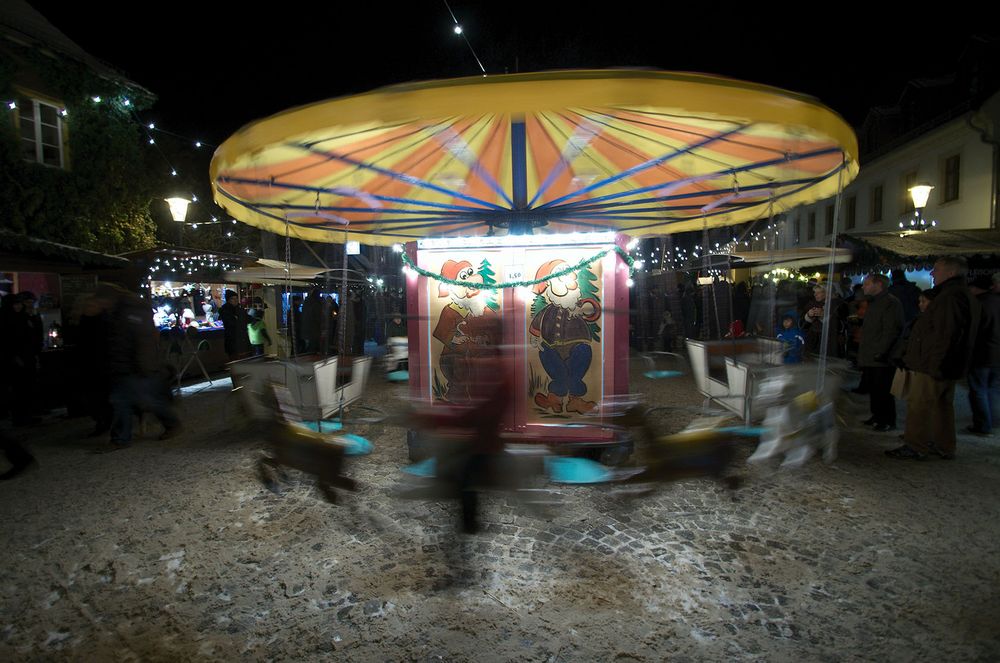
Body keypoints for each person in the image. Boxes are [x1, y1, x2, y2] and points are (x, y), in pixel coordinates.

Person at [888, 256, 980, 460]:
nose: (932, 273)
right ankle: (944, 445)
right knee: (942, 406)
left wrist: (935, 364)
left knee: (920, 404)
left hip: (934, 363)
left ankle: (916, 445)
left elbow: (946, 334)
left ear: (951, 272)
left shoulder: (950, 296)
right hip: (946, 362)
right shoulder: (958, 294)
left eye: (937, 269)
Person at [97, 283, 181, 449]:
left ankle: (171, 424)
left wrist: (145, 365)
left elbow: (142, 342)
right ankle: (121, 438)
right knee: (124, 401)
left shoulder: (131, 313)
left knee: (146, 400)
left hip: (136, 367)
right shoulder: (120, 313)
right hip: (126, 366)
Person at [856, 273, 904, 432]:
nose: (863, 287)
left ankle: (887, 419)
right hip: (871, 353)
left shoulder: (891, 303)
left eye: (867, 283)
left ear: (878, 285)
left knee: (883, 389)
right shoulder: (874, 302)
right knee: (874, 388)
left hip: (881, 355)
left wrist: (882, 352)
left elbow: (891, 330)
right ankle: (877, 415)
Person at [966, 273, 1000, 435]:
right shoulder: (997, 301)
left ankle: (982, 425)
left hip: (982, 354)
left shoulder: (978, 305)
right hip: (996, 354)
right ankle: (994, 420)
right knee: (994, 388)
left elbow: (974, 331)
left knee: (978, 389)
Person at [801, 284, 844, 359]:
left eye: (818, 292)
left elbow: (839, 326)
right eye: (814, 292)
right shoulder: (816, 303)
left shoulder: (838, 305)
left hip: (829, 342)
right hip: (816, 341)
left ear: (827, 293)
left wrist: (823, 316)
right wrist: (809, 315)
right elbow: (803, 324)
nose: (815, 294)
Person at [219, 290, 251, 361]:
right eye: (233, 298)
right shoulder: (225, 310)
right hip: (233, 340)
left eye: (236, 298)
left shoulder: (239, 309)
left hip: (243, 340)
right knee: (235, 360)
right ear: (228, 300)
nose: (235, 300)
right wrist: (239, 319)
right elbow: (232, 323)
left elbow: (247, 319)